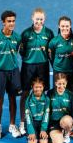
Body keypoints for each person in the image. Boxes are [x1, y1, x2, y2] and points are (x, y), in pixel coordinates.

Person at [19, 8, 54, 136]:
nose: (39, 21)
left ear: (44, 19)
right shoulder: (26, 34)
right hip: (28, 66)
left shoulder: (49, 33)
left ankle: (42, 121)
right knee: (25, 93)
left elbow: (50, 51)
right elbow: (22, 52)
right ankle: (22, 122)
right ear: (32, 18)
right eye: (37, 19)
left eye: (41, 19)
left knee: (43, 94)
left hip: (43, 66)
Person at [0, 10, 22, 139]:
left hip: (14, 72)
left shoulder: (17, 38)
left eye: (13, 21)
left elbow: (19, 51)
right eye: (9, 21)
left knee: (13, 99)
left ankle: (12, 125)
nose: (11, 23)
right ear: (3, 22)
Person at [48, 16, 73, 95]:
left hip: (72, 72)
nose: (64, 28)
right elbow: (50, 56)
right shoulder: (54, 41)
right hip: (59, 72)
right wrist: (58, 67)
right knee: (59, 94)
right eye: (62, 26)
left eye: (67, 26)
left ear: (70, 26)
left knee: (72, 94)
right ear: (59, 26)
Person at [48, 73, 73, 143]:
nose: (61, 86)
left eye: (63, 83)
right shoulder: (50, 93)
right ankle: (56, 134)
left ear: (66, 83)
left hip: (65, 121)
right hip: (53, 123)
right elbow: (47, 112)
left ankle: (66, 133)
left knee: (67, 121)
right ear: (55, 83)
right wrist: (44, 128)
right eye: (59, 84)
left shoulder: (70, 95)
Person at [25, 77, 50, 143]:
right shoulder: (28, 100)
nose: (38, 89)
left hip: (42, 123)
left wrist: (43, 129)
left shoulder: (47, 99)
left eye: (40, 87)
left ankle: (42, 135)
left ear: (43, 87)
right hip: (32, 124)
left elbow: (46, 115)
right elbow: (28, 117)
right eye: (36, 87)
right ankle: (34, 134)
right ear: (32, 87)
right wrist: (31, 131)